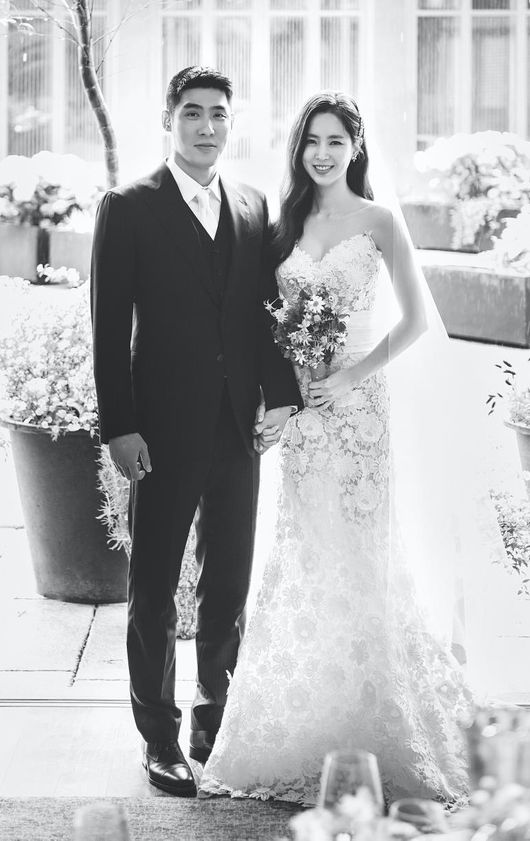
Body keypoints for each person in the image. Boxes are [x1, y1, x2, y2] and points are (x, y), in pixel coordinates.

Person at [198, 91, 507, 806]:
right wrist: (279, 397)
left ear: (357, 147)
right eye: (312, 140)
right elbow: (260, 325)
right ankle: (305, 721)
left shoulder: (378, 222)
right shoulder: (282, 225)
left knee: (363, 554)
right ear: (298, 148)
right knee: (305, 550)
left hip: (360, 410)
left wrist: (351, 376)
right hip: (304, 415)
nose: (322, 153)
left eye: (336, 140)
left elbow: (418, 321)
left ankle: (377, 715)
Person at [90, 65, 302, 797]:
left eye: (218, 114)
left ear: (230, 123)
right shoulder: (128, 206)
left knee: (228, 582)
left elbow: (263, 314)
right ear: (168, 119)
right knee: (153, 586)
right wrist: (120, 427)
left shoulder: (252, 203)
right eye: (192, 113)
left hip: (237, 427)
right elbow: (107, 327)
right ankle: (159, 737)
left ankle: (216, 722)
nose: (207, 126)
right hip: (160, 430)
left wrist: (279, 398)